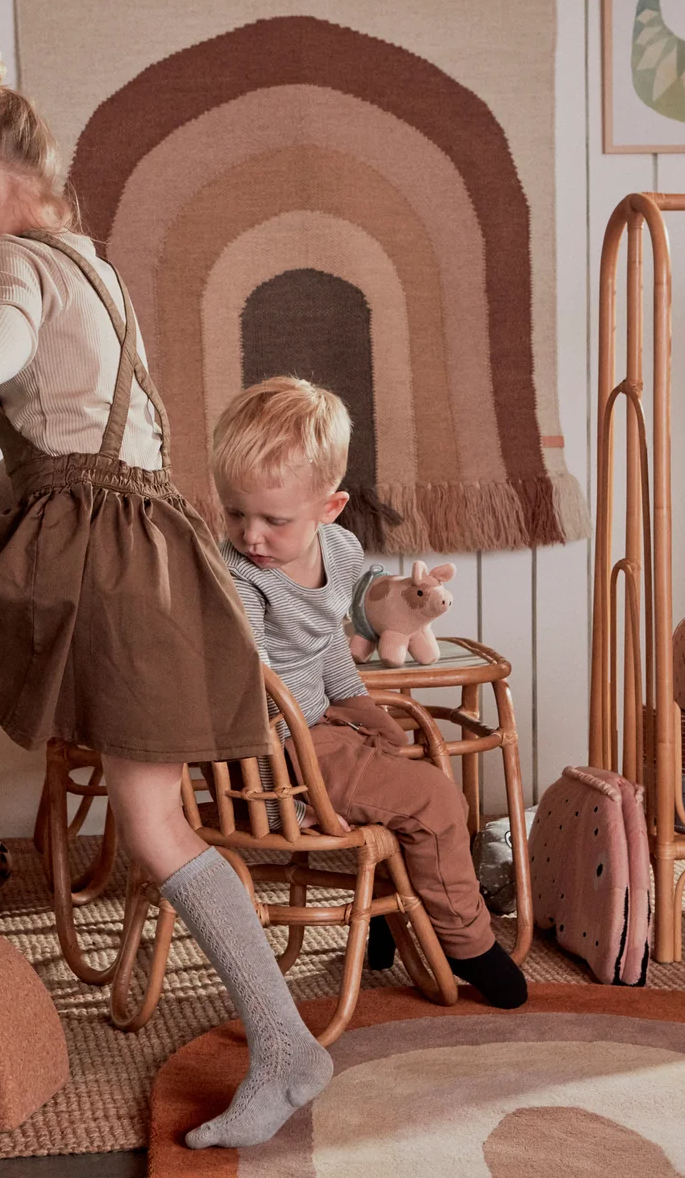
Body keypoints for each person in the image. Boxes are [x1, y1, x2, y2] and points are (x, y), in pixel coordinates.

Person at [0, 38, 332, 1150]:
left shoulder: (8, 263)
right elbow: (43, 466)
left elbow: (5, 326)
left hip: (94, 557)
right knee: (159, 825)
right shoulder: (96, 271)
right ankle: (288, 1046)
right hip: (154, 556)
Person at [212, 375, 527, 1009]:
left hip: (321, 720)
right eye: (236, 513)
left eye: (274, 520)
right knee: (436, 801)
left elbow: (326, 641)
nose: (250, 536)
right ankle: (467, 942)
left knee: (401, 749)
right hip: (279, 743)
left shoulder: (340, 549)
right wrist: (278, 793)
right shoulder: (240, 578)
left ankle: (390, 913)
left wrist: (357, 702)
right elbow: (248, 689)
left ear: (329, 509)